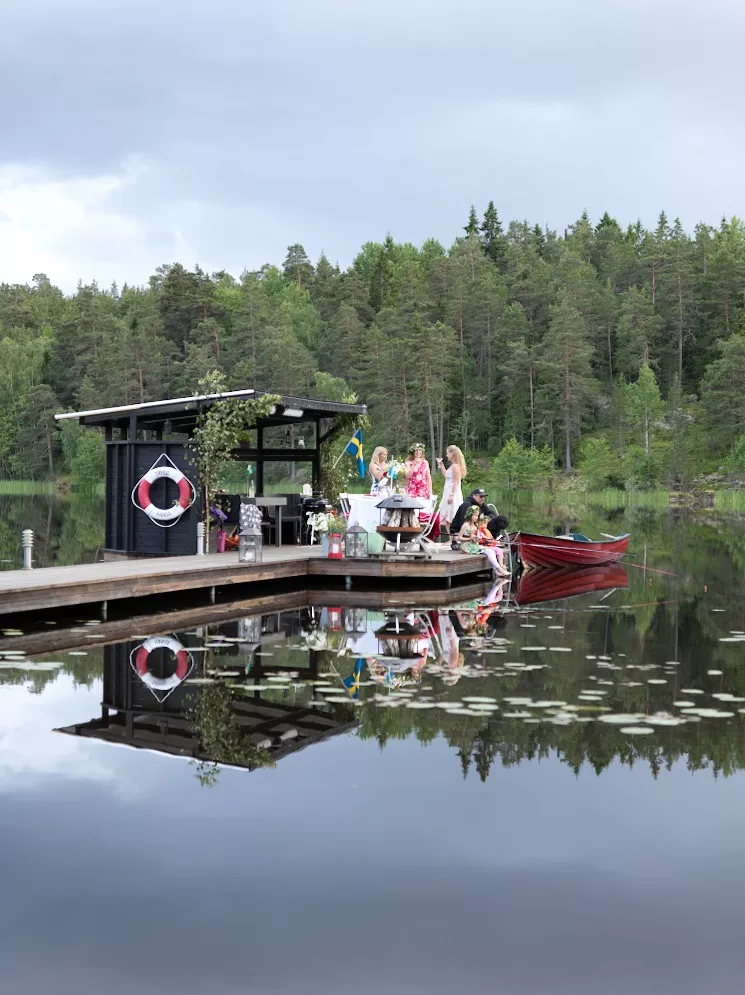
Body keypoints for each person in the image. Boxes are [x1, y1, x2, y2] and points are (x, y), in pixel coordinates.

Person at [455, 506, 510, 577]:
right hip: (466, 546)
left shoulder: (476, 525)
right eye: (475, 515)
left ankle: (497, 570)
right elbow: (459, 538)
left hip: (475, 545)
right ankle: (500, 569)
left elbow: (478, 537)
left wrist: (478, 538)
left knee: (491, 551)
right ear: (470, 515)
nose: (477, 517)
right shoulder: (465, 525)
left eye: (477, 515)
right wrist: (469, 539)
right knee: (489, 551)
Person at [436, 445, 466, 532]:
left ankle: (454, 537)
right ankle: (450, 539)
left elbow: (456, 482)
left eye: (447, 453)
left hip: (453, 493)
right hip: (447, 492)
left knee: (452, 516)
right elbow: (446, 475)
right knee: (447, 517)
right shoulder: (452, 466)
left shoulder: (456, 467)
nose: (446, 455)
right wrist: (441, 465)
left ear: (452, 454)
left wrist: (452, 495)